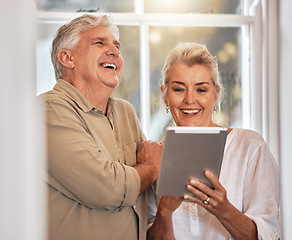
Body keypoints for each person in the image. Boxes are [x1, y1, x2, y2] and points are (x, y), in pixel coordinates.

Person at [36, 14, 162, 240]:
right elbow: (107, 188)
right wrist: (152, 167)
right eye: (100, 43)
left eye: (117, 46)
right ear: (67, 58)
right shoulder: (47, 111)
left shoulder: (125, 112)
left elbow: (152, 189)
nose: (114, 51)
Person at [147, 42, 281, 239]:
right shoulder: (154, 159)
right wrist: (164, 212)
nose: (190, 100)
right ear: (165, 95)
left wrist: (224, 210)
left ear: (216, 95)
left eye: (201, 90)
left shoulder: (250, 147)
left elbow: (269, 235)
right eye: (178, 89)